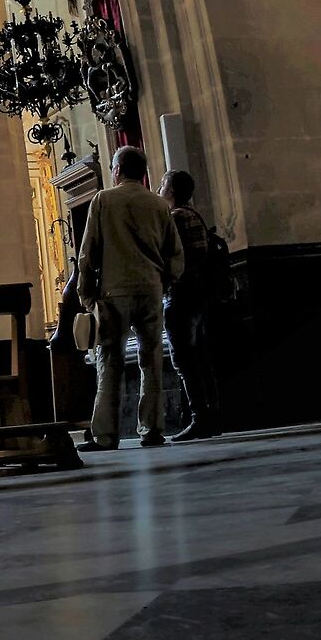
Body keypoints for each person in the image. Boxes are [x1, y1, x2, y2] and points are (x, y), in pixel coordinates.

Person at [76, 145, 184, 451]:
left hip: (113, 293)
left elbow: (88, 252)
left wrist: (86, 296)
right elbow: (175, 253)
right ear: (144, 172)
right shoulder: (159, 205)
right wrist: (165, 283)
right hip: (151, 290)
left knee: (109, 364)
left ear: (117, 170)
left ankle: (105, 435)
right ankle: (152, 430)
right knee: (151, 363)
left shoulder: (103, 200)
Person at [161, 170, 229, 442]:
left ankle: (200, 416)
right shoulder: (194, 215)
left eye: (163, 185)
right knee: (199, 356)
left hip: (181, 293)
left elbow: (170, 255)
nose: (159, 189)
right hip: (198, 293)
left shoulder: (176, 217)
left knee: (185, 358)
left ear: (172, 190)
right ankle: (212, 415)